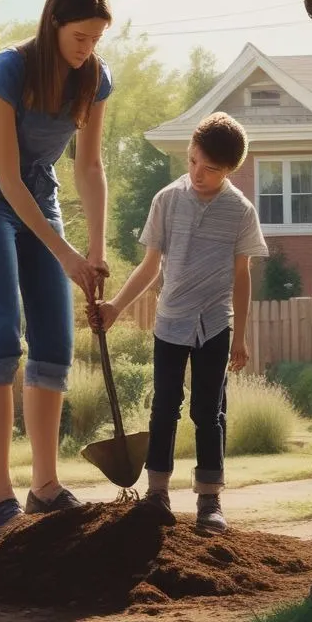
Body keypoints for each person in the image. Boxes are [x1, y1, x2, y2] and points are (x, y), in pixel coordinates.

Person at [0, 0, 113, 536]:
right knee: (1, 340)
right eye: (80, 34)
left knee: (55, 344)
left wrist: (92, 251)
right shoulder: (9, 68)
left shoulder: (94, 80)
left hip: (41, 197)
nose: (87, 46)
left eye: (96, 37)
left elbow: (89, 168)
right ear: (54, 23)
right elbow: (5, 174)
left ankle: (45, 488)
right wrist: (65, 251)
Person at [88, 112, 268, 532]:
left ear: (230, 170)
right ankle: (157, 493)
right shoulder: (167, 200)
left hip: (215, 326)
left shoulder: (240, 211)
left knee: (209, 412)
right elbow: (150, 266)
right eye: (192, 162)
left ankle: (209, 500)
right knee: (164, 407)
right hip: (171, 322)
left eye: (211, 169)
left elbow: (241, 277)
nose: (198, 173)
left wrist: (239, 337)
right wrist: (114, 306)